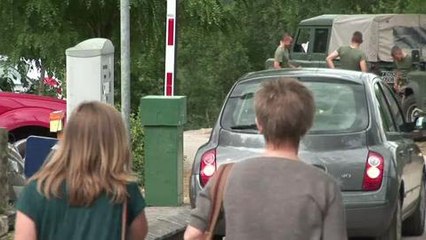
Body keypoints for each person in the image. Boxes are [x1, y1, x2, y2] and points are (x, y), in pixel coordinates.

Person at [184, 78, 347, 240]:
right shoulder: (325, 186)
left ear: (259, 124)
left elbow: (194, 234)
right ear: (308, 125)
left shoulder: (226, 176)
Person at [15, 102, 148, 240]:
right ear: (115, 143)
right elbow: (139, 233)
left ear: (69, 139)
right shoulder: (124, 190)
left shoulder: (36, 190)